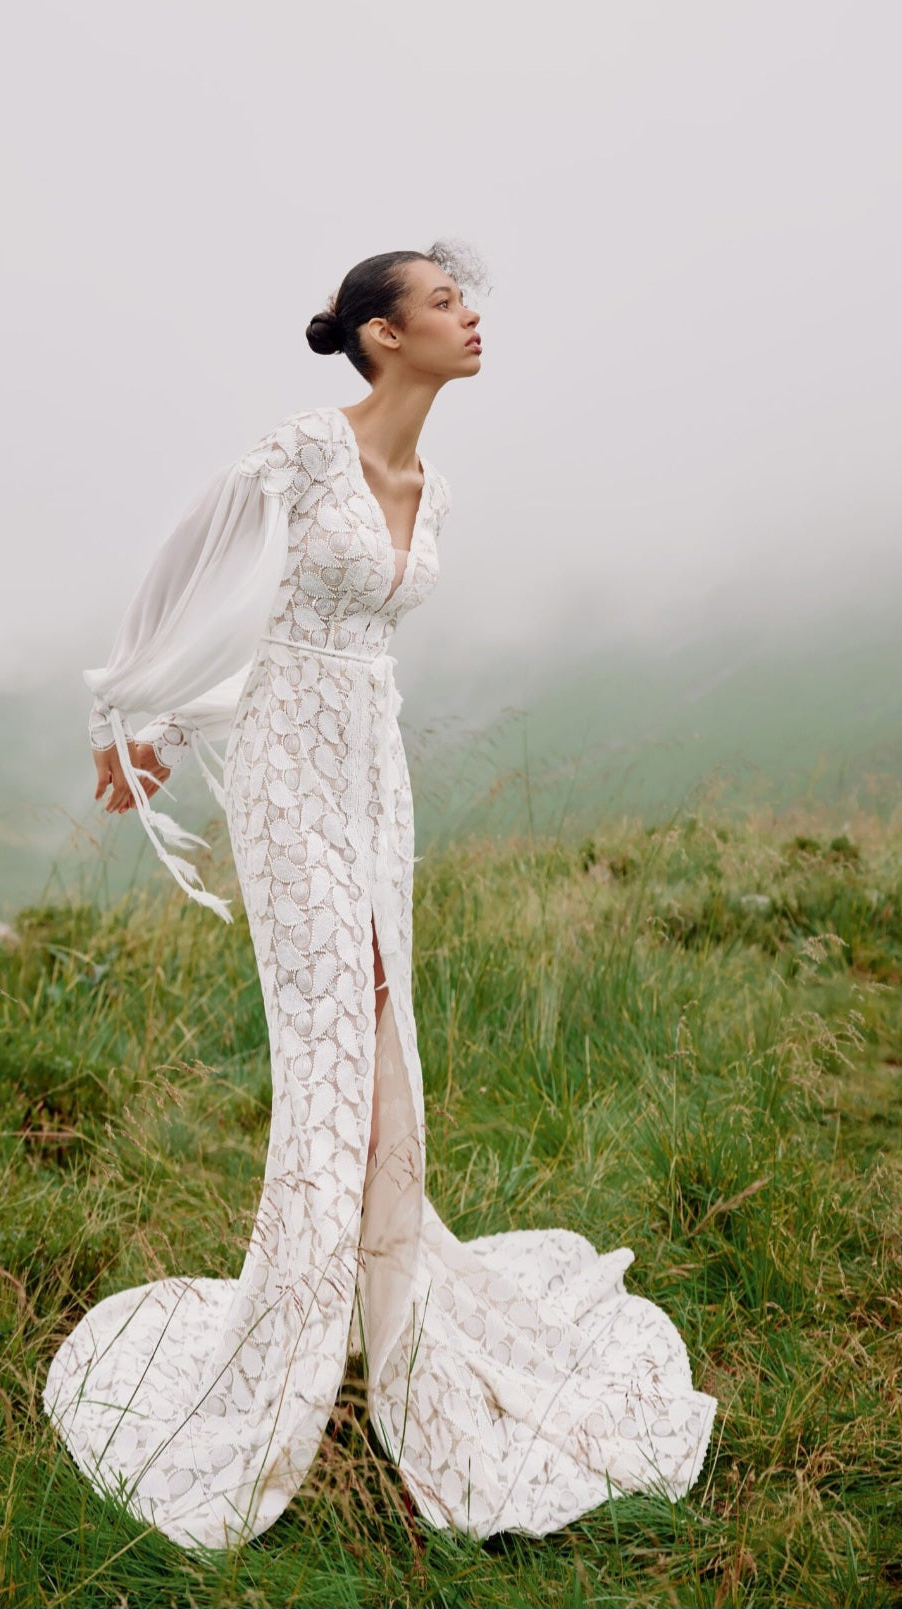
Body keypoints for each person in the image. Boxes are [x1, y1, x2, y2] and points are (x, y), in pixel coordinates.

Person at [42, 243, 716, 1550]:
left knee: (387, 1041)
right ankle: (279, 1366)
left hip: (376, 779)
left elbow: (362, 645)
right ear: (381, 333)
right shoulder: (300, 450)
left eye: (470, 302)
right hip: (291, 778)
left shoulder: (437, 489)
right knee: (330, 1052)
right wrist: (129, 710)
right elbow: (186, 569)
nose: (473, 319)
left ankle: (383, 1317)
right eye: (447, 301)